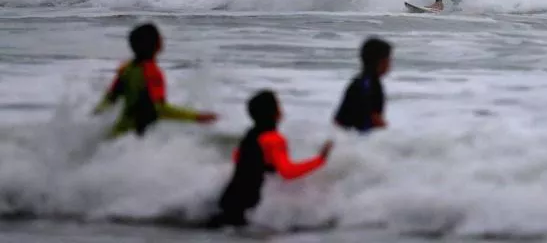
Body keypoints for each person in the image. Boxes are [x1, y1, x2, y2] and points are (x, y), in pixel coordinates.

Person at [209, 90, 333, 228]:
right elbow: (288, 172)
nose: (281, 108)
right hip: (248, 207)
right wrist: (320, 159)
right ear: (274, 112)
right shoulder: (274, 139)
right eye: (278, 104)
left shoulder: (250, 134)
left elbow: (237, 157)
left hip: (229, 198)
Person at [93, 23, 217, 137]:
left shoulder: (127, 68)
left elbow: (109, 99)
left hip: (117, 136)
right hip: (134, 140)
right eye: (160, 36)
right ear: (157, 44)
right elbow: (160, 109)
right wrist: (196, 117)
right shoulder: (152, 73)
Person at [333, 37, 392, 133]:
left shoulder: (357, 82)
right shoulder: (372, 85)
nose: (390, 63)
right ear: (381, 62)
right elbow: (375, 118)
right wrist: (391, 138)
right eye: (389, 59)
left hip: (350, 138)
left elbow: (338, 120)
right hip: (361, 141)